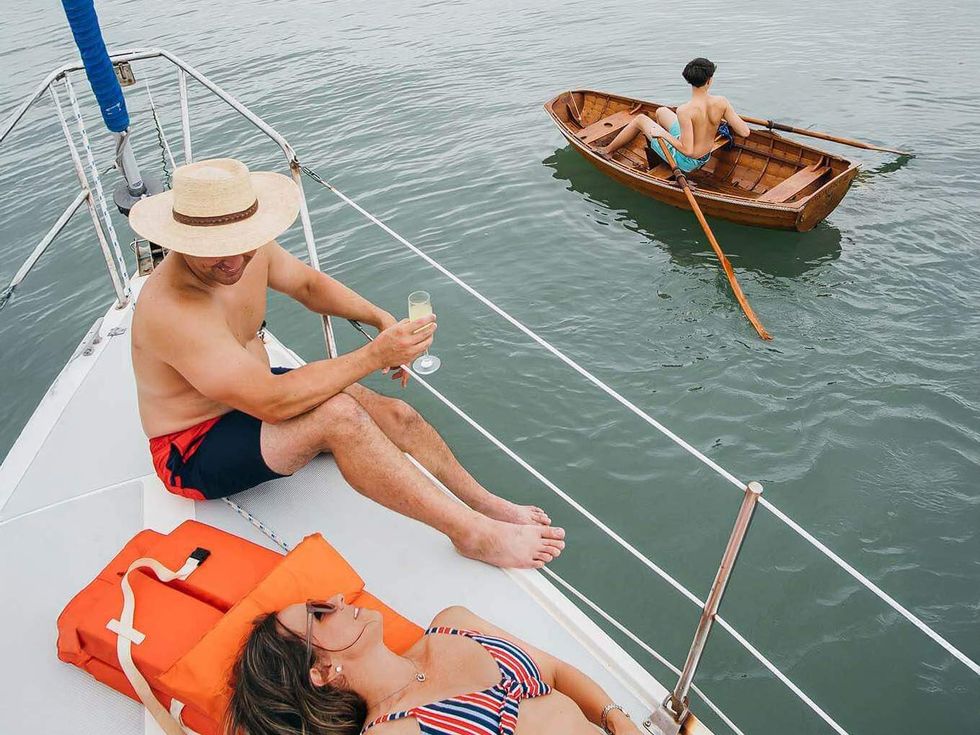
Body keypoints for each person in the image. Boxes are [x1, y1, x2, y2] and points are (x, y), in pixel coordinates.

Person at [128, 158, 564, 569]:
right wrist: (377, 354)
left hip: (253, 393)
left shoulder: (243, 247)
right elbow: (273, 404)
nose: (236, 262)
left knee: (396, 414)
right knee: (341, 416)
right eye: (217, 251)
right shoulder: (174, 310)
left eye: (243, 246)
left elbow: (306, 284)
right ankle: (471, 533)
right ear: (181, 241)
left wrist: (378, 319)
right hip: (194, 446)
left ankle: (485, 503)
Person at [227, 594, 645, 735]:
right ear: (319, 672)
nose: (337, 598)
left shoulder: (452, 624)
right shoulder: (395, 731)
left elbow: (555, 671)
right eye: (319, 613)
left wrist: (618, 721)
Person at [599, 57, 751, 173]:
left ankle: (608, 151)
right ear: (709, 80)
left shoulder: (685, 110)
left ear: (688, 80)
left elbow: (687, 150)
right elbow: (745, 131)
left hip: (687, 161)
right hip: (705, 155)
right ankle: (658, 153)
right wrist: (720, 116)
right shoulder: (722, 102)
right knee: (661, 111)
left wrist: (663, 134)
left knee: (640, 119)